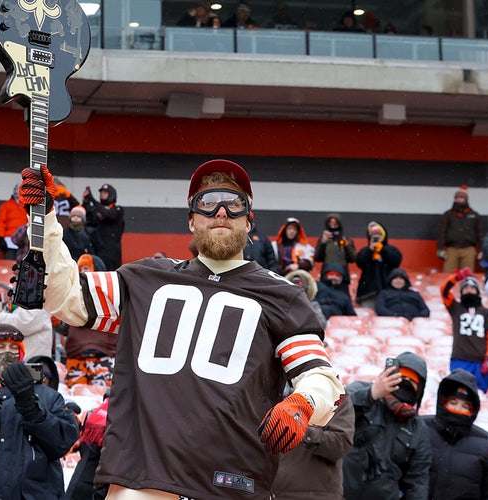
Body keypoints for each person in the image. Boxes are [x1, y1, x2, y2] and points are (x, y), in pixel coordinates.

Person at [18, 158, 344, 498]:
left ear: (250, 221)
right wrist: (46, 218)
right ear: (191, 220)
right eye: (207, 202)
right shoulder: (144, 279)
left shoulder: (283, 296)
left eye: (235, 204)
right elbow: (65, 296)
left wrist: (304, 402)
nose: (221, 212)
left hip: (233, 484)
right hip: (141, 482)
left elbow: (321, 376)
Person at [0, 324, 80, 499]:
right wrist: (2, 415)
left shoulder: (47, 396)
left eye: (13, 347)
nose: (7, 353)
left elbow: (63, 441)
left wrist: (32, 409)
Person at [342, 351, 430, 500]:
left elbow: (417, 480)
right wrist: (371, 394)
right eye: (401, 377)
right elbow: (332, 413)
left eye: (412, 381)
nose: (404, 383)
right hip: (341, 492)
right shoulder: (361, 390)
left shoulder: (417, 427)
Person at [422, 369, 488, 500]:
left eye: (464, 406)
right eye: (453, 403)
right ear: (443, 402)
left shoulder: (486, 445)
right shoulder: (421, 428)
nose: (458, 410)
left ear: (473, 410)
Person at [272, 393, 354, 499]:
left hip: (314, 495)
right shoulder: (265, 390)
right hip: (266, 493)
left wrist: (301, 429)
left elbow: (341, 444)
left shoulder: (334, 394)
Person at [62, 253, 117, 388]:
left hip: (102, 355)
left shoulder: (110, 294)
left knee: (101, 399)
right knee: (77, 399)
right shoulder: (72, 295)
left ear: (97, 269)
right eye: (80, 269)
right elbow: (67, 329)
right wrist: (58, 322)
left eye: (86, 267)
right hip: (76, 355)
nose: (82, 272)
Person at [440, 270, 488, 393]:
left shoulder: (486, 312)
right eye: (465, 287)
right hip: (459, 359)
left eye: (472, 287)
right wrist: (457, 276)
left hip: (480, 361)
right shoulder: (455, 308)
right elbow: (444, 290)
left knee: (481, 394)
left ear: (477, 291)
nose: (469, 290)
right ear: (461, 292)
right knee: (457, 391)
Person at [64, 390, 111, 500]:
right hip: (100, 488)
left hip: (79, 480)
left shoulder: (92, 415)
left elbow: (80, 446)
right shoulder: (122, 423)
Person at [436, 185, 484, 273]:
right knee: (448, 274)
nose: (459, 200)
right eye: (457, 198)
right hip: (452, 249)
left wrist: (482, 250)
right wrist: (440, 249)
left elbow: (480, 233)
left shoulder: (474, 215)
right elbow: (441, 232)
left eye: (461, 198)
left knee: (467, 275)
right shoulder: (448, 214)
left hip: (469, 249)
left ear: (466, 199)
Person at [355, 221, 402, 309]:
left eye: (379, 234)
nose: (376, 237)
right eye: (373, 234)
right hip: (368, 292)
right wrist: (370, 250)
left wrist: (382, 249)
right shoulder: (365, 251)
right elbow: (360, 262)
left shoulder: (391, 250)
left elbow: (395, 261)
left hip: (388, 292)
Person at [82, 183, 124, 271]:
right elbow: (86, 217)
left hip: (112, 251)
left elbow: (108, 214)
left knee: (112, 274)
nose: (102, 194)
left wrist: (92, 199)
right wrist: (86, 202)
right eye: (101, 192)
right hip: (99, 248)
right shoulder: (96, 209)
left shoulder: (118, 209)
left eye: (105, 192)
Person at [314, 213, 356, 279]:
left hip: (342, 275)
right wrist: (323, 243)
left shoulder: (346, 240)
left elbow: (353, 258)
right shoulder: (323, 241)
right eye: (330, 225)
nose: (333, 227)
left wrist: (346, 245)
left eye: (335, 225)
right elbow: (317, 258)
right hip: (326, 274)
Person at [0, 183, 29, 260]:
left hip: (24, 242)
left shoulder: (28, 206)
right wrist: (0, 238)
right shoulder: (5, 206)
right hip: (9, 243)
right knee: (8, 265)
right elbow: (1, 222)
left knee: (22, 268)